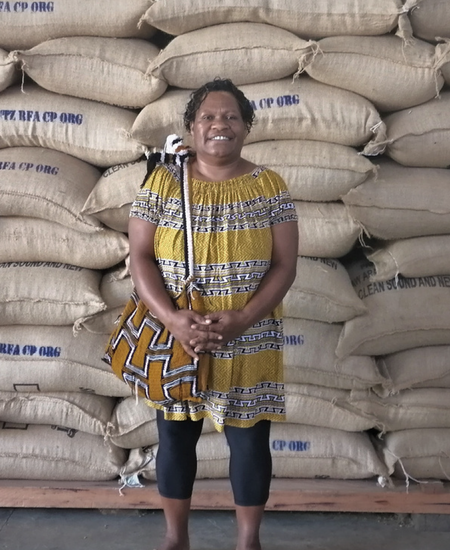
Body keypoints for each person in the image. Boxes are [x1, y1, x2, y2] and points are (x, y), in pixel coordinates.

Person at [128, 78, 299, 550]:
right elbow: (139, 256)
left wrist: (245, 316)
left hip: (250, 334)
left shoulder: (269, 186)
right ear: (190, 127)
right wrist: (171, 318)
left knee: (248, 442)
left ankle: (248, 542)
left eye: (231, 117)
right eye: (207, 116)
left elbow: (285, 264)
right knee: (176, 438)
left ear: (247, 128)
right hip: (176, 334)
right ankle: (175, 538)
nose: (219, 124)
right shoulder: (163, 181)